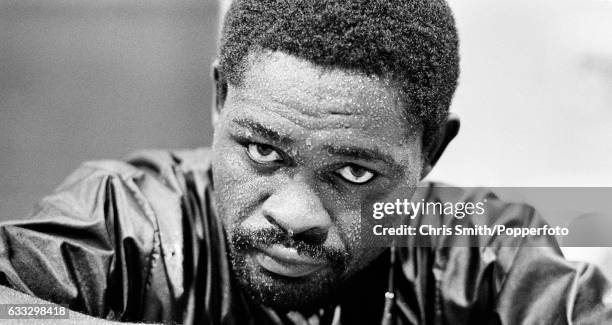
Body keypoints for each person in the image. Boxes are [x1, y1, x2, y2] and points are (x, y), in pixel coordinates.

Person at [0, 0, 610, 324]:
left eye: (354, 174)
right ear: (219, 102)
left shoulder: (483, 250)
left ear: (430, 152)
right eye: (263, 152)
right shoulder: (131, 215)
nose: (294, 215)